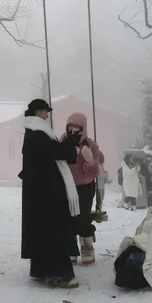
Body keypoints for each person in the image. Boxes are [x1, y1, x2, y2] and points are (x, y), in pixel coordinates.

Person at [21, 99, 81, 289]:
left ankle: (41, 269)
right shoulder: (38, 132)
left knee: (44, 230)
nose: (47, 115)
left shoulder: (34, 131)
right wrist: (71, 140)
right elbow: (57, 152)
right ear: (38, 112)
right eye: (46, 111)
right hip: (48, 192)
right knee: (54, 231)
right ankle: (58, 274)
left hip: (41, 191)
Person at [60, 112, 100, 266]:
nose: (73, 130)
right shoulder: (62, 141)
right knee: (68, 217)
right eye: (71, 126)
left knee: (82, 217)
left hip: (84, 186)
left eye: (77, 127)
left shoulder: (90, 145)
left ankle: (87, 245)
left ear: (83, 128)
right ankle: (71, 247)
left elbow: (94, 172)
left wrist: (89, 160)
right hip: (66, 185)